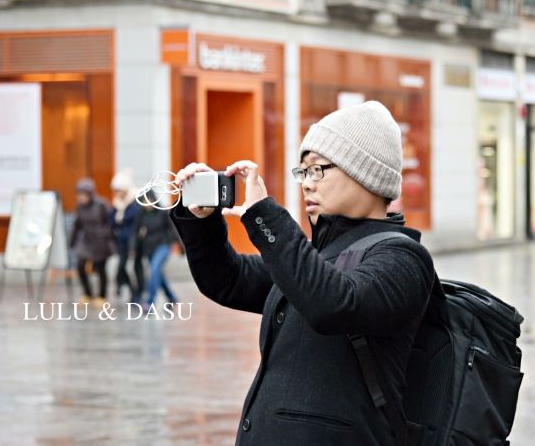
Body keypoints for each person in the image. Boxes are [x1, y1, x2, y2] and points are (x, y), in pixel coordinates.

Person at [170, 101, 434, 444]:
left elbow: (334, 304)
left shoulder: (404, 257)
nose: (307, 184)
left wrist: (264, 214)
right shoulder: (313, 258)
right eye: (302, 172)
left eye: (317, 170)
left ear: (363, 173)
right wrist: (200, 221)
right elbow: (228, 279)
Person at [70, 178, 115, 307]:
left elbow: (110, 222)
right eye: (79, 195)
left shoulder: (101, 205)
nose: (81, 198)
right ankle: (87, 294)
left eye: (83, 195)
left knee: (101, 268)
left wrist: (109, 237)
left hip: (101, 241)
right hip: (87, 240)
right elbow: (77, 225)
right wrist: (72, 242)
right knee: (80, 265)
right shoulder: (80, 207)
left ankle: (102, 296)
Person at [135, 205, 180, 310]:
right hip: (150, 247)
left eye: (149, 200)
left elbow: (172, 228)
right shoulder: (142, 214)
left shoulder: (162, 212)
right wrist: (134, 246)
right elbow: (135, 231)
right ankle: (172, 298)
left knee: (154, 270)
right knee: (158, 273)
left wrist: (179, 244)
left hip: (163, 246)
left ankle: (150, 302)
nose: (147, 204)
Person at [110, 170, 143, 302]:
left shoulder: (135, 201)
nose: (117, 193)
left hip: (134, 241)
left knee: (134, 268)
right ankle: (133, 292)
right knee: (123, 268)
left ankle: (138, 293)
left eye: (119, 190)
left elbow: (135, 220)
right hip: (122, 242)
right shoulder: (117, 204)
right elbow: (112, 221)